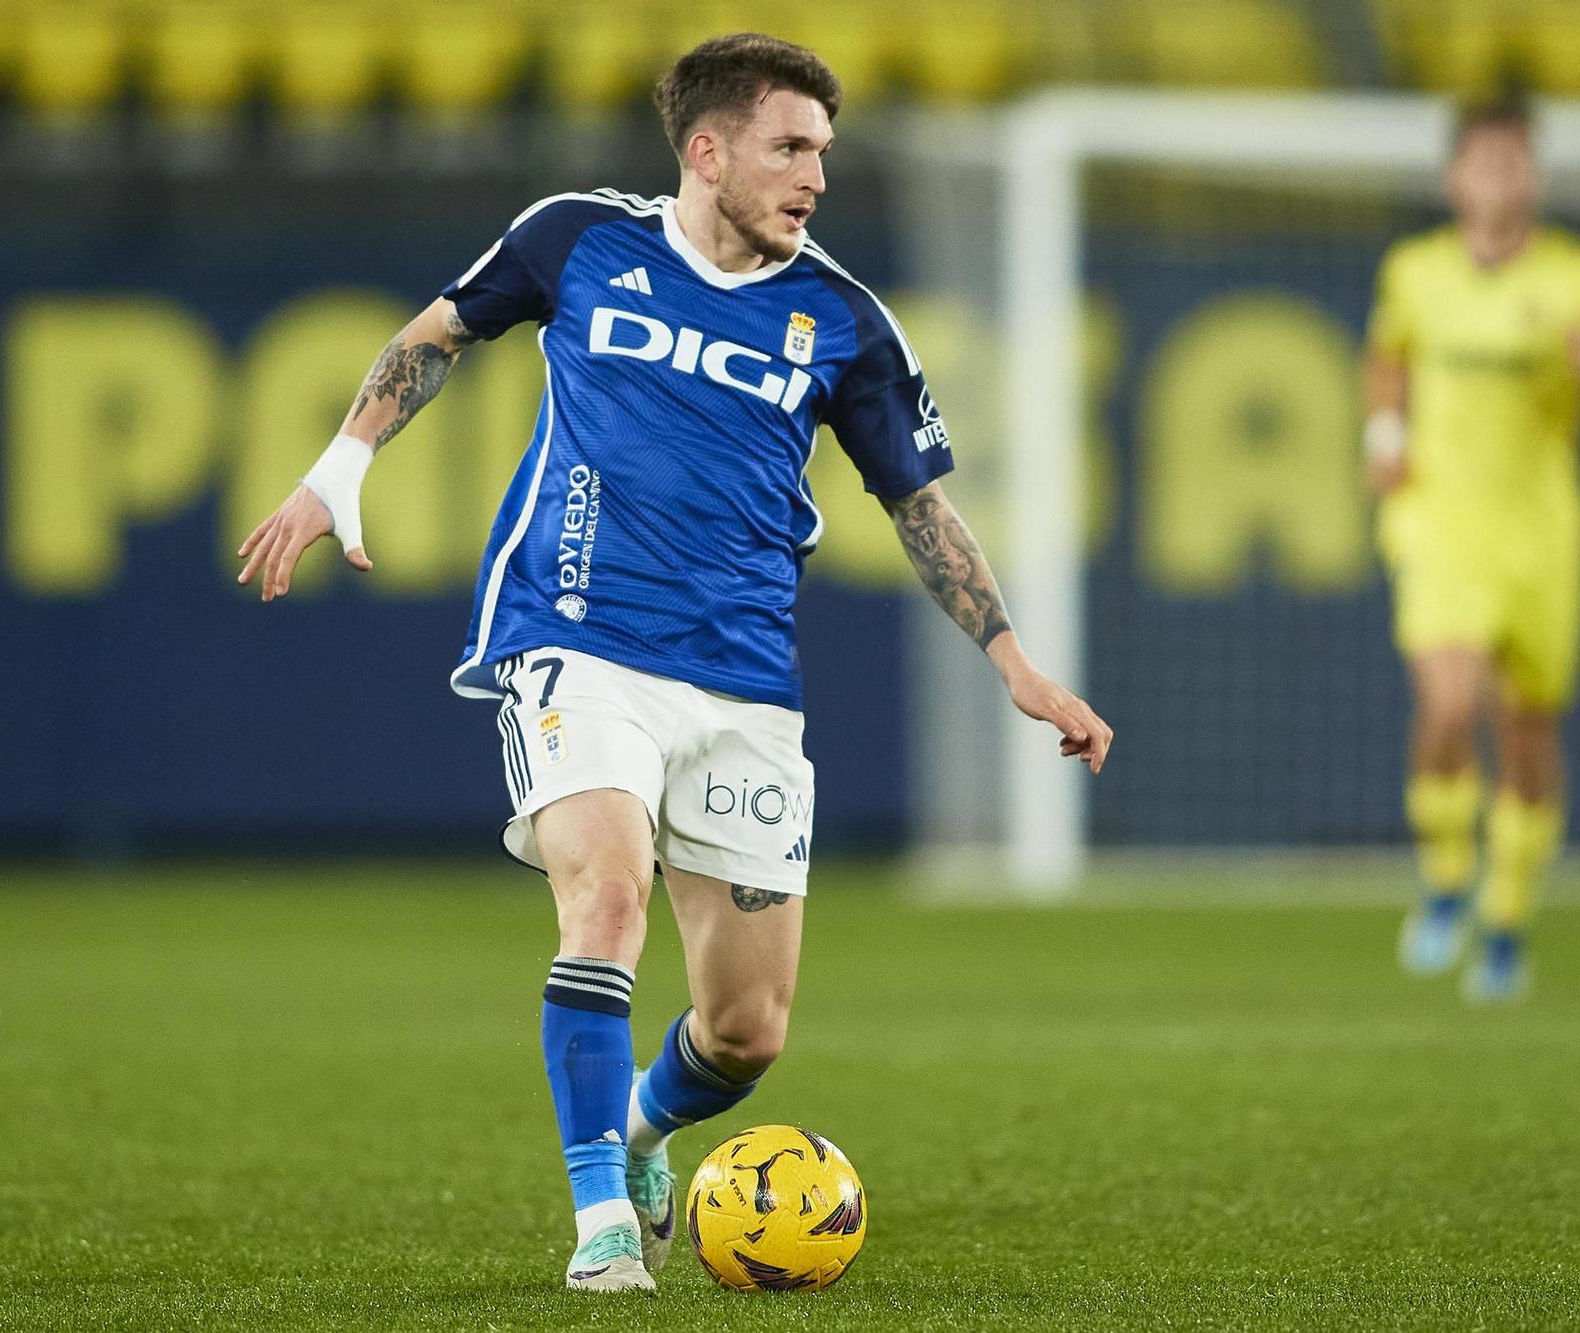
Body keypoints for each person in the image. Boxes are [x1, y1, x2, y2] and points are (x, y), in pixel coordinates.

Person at [235, 32, 1111, 1292]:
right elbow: (438, 332)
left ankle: (643, 1129)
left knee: (748, 1031)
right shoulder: (579, 238)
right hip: (574, 635)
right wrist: (338, 471)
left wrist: (1015, 661)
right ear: (706, 149)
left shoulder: (845, 323)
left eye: (823, 150)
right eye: (790, 146)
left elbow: (918, 506)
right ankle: (600, 1222)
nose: (815, 174)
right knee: (605, 894)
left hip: (745, 679)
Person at [1363, 96, 1580, 1003]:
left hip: (1541, 536)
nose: (1505, 176)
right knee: (1448, 703)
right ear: (1454, 177)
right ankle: (1446, 871)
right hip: (1440, 525)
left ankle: (1506, 917)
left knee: (1529, 728)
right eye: (1488, 160)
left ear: (1535, 176)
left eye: (1519, 161)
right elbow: (1386, 355)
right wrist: (1384, 436)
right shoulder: (1415, 271)